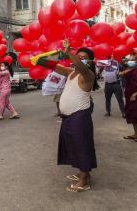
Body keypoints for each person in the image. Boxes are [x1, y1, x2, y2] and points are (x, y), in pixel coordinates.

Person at [46, 42, 99, 192]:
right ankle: (84, 173)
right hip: (68, 117)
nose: (80, 59)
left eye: (84, 57)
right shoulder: (71, 72)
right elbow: (55, 66)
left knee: (81, 146)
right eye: (78, 56)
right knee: (72, 145)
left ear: (89, 61)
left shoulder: (88, 74)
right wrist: (39, 60)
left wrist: (70, 52)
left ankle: (84, 180)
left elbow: (81, 67)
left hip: (79, 117)